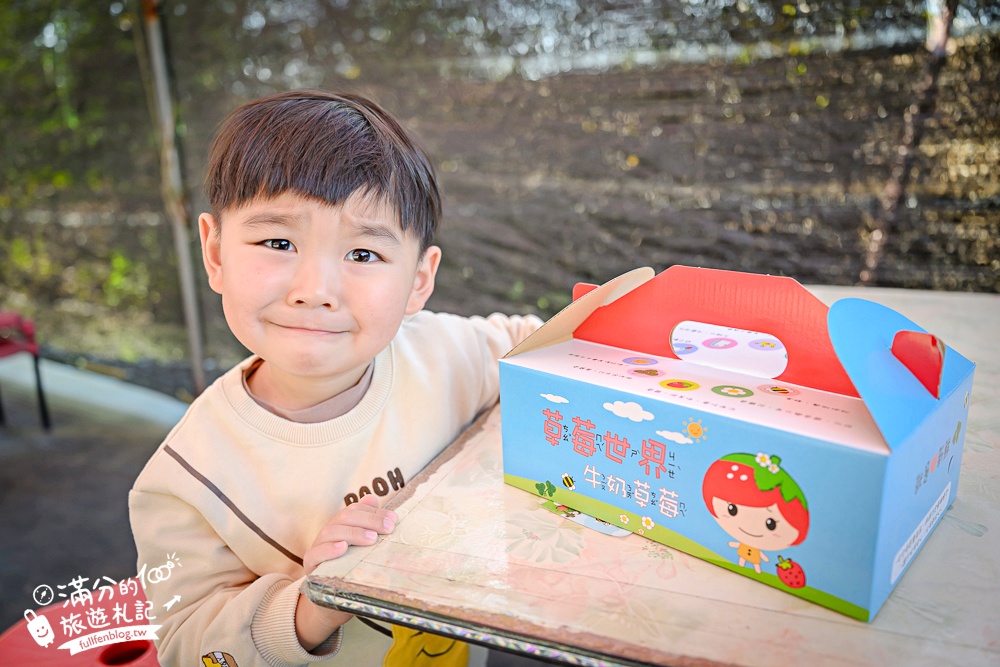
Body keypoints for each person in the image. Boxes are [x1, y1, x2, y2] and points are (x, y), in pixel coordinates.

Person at [129, 90, 541, 667]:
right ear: (215, 252)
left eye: (364, 254)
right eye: (278, 243)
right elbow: (187, 645)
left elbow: (539, 341)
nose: (315, 290)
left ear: (418, 280)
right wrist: (311, 606)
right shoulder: (186, 478)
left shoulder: (444, 353)